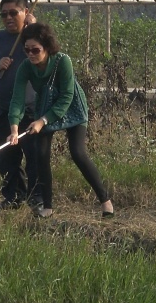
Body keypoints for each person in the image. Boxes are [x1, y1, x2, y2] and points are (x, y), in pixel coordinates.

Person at [7, 22, 115, 219]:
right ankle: (47, 206)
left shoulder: (63, 61)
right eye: (27, 50)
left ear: (47, 48)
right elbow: (17, 99)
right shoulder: (25, 67)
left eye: (36, 50)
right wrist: (14, 129)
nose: (31, 54)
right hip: (45, 107)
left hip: (71, 106)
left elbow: (66, 96)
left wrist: (42, 121)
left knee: (78, 152)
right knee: (40, 154)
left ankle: (105, 201)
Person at [0, 0, 38, 210]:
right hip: (2, 109)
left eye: (14, 13)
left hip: (30, 111)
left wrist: (36, 28)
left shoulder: (34, 37)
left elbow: (51, 55)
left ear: (26, 13)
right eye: (4, 14)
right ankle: (13, 197)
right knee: (5, 158)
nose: (8, 18)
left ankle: (37, 200)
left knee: (34, 157)